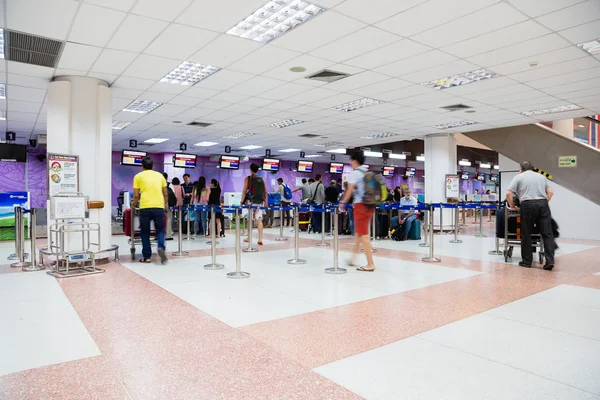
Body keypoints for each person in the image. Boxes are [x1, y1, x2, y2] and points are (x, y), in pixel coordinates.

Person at [507, 161, 555, 270]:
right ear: (532, 168)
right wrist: (544, 202)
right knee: (547, 233)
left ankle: (527, 261)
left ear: (521, 169)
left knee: (526, 233)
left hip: (527, 204)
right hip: (543, 204)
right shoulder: (541, 177)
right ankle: (550, 261)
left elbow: (508, 193)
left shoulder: (519, 177)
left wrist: (513, 206)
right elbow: (550, 192)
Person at [339, 151, 375, 272]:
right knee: (359, 233)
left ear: (354, 161)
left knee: (364, 235)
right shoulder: (367, 172)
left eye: (351, 161)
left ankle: (370, 264)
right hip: (370, 206)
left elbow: (349, 190)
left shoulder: (355, 173)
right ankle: (353, 259)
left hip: (361, 206)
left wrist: (343, 202)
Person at [132, 157, 168, 264]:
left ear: (142, 166)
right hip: (159, 207)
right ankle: (161, 247)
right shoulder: (160, 175)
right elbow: (165, 193)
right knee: (160, 230)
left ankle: (147, 257)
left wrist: (134, 205)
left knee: (145, 233)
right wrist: (165, 204)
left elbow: (136, 195)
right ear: (153, 166)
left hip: (145, 207)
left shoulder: (138, 176)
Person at [241, 163, 267, 245]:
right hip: (260, 202)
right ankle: (260, 238)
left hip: (251, 202)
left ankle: (249, 237)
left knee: (250, 220)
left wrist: (241, 201)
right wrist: (266, 202)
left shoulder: (248, 179)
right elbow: (265, 191)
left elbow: (244, 191)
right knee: (259, 219)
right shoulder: (262, 179)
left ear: (250, 169)